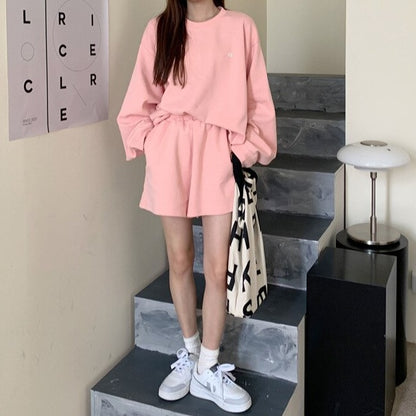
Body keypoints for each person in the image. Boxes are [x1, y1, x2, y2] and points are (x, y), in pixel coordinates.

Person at [117, 0, 276, 413]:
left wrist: (239, 153)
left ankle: (208, 366)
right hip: (170, 151)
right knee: (180, 259)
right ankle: (189, 352)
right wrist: (153, 142)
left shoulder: (240, 27)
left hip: (217, 152)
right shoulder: (160, 28)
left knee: (217, 267)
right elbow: (139, 99)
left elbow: (258, 102)